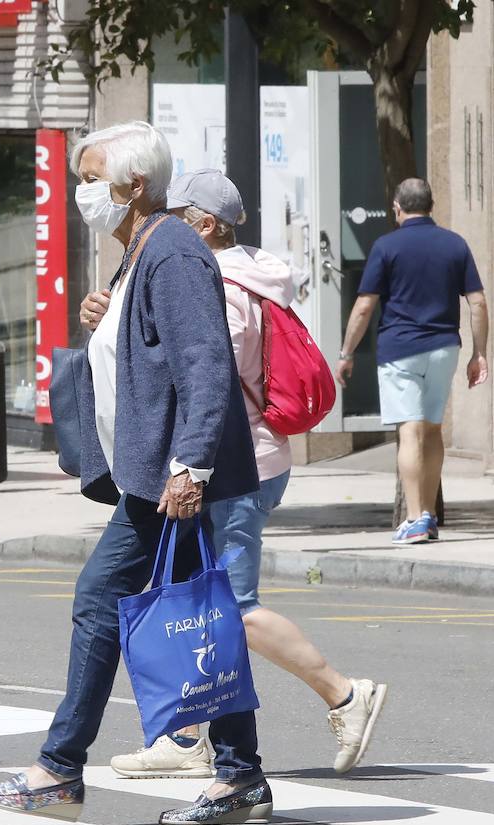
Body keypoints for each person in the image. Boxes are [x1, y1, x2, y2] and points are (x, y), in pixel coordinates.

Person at [0, 122, 268, 825]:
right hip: (157, 476)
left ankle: (60, 767)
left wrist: (192, 465)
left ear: (135, 187)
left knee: (102, 598)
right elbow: (158, 349)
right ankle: (239, 776)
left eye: (91, 177)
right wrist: (106, 318)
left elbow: (204, 363)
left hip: (173, 478)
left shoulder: (170, 252)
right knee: (202, 621)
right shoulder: (141, 251)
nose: (82, 193)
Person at [87, 169, 387, 778]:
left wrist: (187, 465)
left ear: (203, 225)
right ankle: (184, 735)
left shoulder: (219, 286)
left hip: (229, 466)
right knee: (191, 598)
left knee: (232, 606)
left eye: (179, 216)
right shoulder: (254, 271)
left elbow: (201, 378)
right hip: (253, 458)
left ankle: (346, 695)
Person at [335, 177, 489, 544]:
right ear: (431, 205)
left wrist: (346, 353)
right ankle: (430, 515)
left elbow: (364, 306)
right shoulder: (455, 244)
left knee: (408, 430)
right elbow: (478, 302)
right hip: (443, 348)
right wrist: (479, 353)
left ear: (397, 208)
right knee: (433, 429)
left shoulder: (386, 246)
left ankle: (415, 517)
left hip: (400, 348)